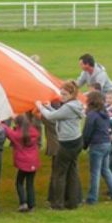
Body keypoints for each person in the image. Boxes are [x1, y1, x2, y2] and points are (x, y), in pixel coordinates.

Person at [36, 81, 85, 210]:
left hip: (67, 143)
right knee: (72, 171)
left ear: (71, 94)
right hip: (77, 141)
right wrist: (49, 107)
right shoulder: (75, 105)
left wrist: (41, 107)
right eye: (61, 94)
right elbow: (60, 115)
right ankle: (73, 201)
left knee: (59, 173)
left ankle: (58, 203)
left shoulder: (69, 107)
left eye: (64, 94)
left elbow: (52, 117)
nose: (61, 96)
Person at [82, 92, 112, 204]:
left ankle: (92, 198)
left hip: (97, 145)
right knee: (105, 170)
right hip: (106, 143)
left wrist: (84, 144)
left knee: (95, 172)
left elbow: (87, 132)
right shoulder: (104, 113)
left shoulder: (92, 115)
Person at [2, 114, 40, 212]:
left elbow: (7, 130)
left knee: (19, 182)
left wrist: (4, 122)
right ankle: (31, 205)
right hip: (33, 162)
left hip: (23, 163)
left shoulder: (17, 135)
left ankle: (23, 203)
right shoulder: (33, 131)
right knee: (30, 184)